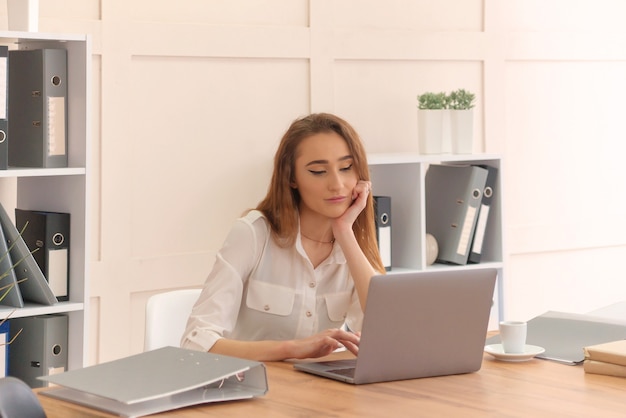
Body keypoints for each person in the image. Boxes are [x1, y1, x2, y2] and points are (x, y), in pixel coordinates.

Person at [181, 113, 386, 361]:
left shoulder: (353, 245)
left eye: (346, 168)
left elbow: (389, 330)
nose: (338, 184)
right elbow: (195, 341)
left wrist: (344, 232)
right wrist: (291, 349)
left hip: (319, 392)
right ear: (291, 178)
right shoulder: (253, 235)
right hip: (250, 388)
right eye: (318, 171)